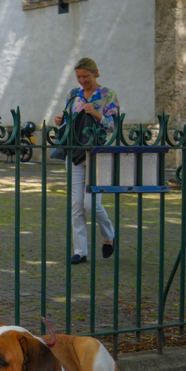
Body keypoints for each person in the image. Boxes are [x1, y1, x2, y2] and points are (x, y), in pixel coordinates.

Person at [54, 57, 120, 265]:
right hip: (74, 153)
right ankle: (80, 251)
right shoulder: (73, 95)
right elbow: (68, 121)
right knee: (76, 205)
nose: (82, 80)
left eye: (86, 76)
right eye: (79, 77)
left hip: (96, 154)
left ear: (96, 73)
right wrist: (60, 121)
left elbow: (114, 126)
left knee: (90, 204)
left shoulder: (108, 95)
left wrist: (98, 116)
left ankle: (109, 235)